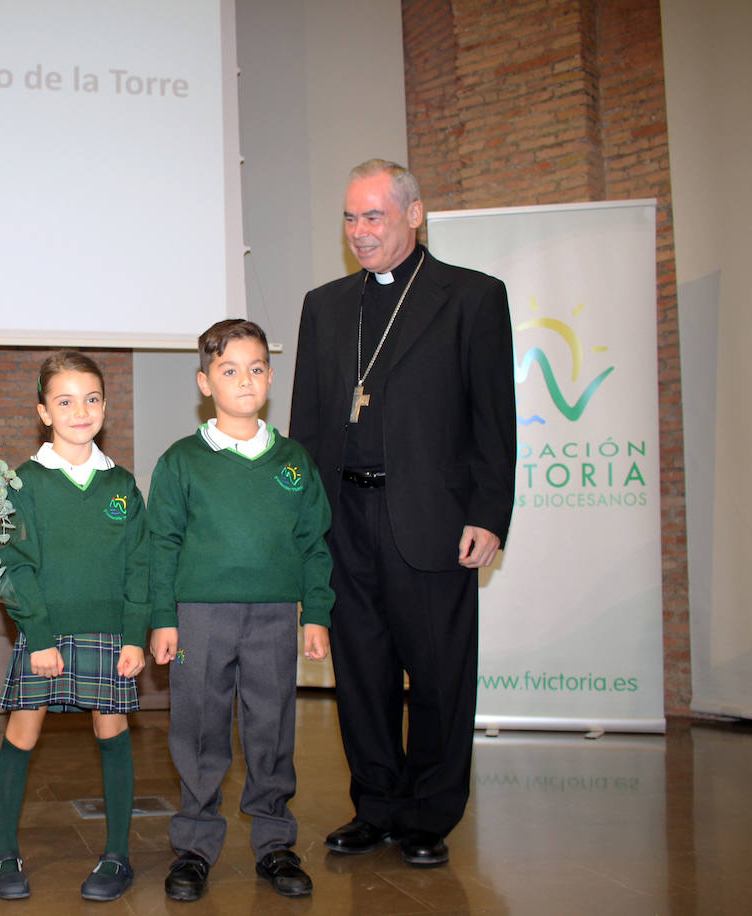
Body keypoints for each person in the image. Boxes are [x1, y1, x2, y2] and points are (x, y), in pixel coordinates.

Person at [288, 159, 516, 868]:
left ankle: (430, 813)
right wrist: (304, 524)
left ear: (414, 215)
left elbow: (493, 420)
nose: (359, 232)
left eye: (374, 216)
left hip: (432, 518)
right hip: (343, 515)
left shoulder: (471, 298)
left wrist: (489, 512)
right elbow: (305, 425)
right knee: (363, 672)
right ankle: (377, 806)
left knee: (439, 673)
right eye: (350, 218)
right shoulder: (324, 306)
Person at [148, 319, 335, 902]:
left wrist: (317, 614)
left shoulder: (294, 461)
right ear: (205, 382)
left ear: (271, 377)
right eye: (229, 370)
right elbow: (162, 544)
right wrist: (163, 616)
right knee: (199, 730)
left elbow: (314, 544)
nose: (244, 380)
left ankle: (275, 841)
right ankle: (196, 846)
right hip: (199, 616)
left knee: (271, 726)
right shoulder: (182, 461)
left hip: (276, 615)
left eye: (256, 368)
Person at [0, 351, 150, 904]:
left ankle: (117, 853)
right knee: (21, 733)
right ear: (43, 411)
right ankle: (3, 851)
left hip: (108, 636)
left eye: (92, 398)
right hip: (44, 638)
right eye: (65, 400)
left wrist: (134, 635)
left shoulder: (122, 484)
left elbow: (139, 566)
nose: (81, 410)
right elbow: (15, 564)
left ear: (104, 406)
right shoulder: (23, 482)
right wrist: (40, 637)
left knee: (113, 733)